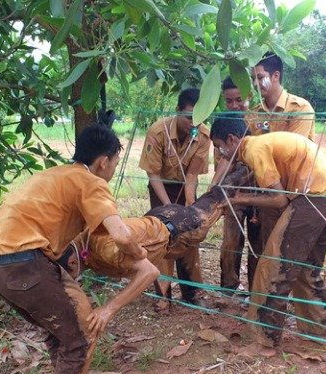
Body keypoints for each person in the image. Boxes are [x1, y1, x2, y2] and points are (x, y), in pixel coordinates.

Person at [0, 124, 153, 374]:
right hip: (25, 263)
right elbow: (122, 236)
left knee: (57, 328)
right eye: (113, 163)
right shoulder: (90, 182)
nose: (112, 170)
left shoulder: (54, 174)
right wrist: (139, 253)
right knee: (82, 334)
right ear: (103, 162)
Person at [210, 117, 326, 348]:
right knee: (306, 266)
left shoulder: (254, 149)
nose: (221, 154)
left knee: (274, 265)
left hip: (311, 197)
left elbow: (279, 199)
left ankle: (265, 339)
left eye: (220, 147)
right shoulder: (260, 144)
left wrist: (237, 198)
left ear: (232, 140)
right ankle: (317, 331)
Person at [64, 164, 252, 287]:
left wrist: (108, 310)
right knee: (214, 200)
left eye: (69, 276)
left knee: (217, 200)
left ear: (73, 262)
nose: (71, 280)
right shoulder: (77, 239)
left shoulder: (107, 250)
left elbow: (148, 272)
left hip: (180, 227)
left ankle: (246, 168)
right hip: (159, 220)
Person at [139, 88, 212, 307]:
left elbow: (192, 174)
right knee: (162, 238)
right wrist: (168, 206)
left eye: (199, 118)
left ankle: (191, 293)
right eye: (189, 116)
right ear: (178, 111)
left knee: (190, 237)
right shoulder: (158, 131)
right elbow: (153, 173)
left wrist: (189, 205)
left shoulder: (203, 135)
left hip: (186, 186)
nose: (194, 123)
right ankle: (163, 295)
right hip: (161, 186)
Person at [217, 77, 263, 299]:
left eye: (239, 99)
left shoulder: (261, 120)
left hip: (262, 191)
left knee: (258, 241)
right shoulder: (224, 122)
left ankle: (256, 292)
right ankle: (228, 288)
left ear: (249, 95)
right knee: (231, 240)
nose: (234, 105)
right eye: (229, 101)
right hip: (233, 191)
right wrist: (215, 189)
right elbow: (224, 160)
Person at [251, 53, 315, 140]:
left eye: (260, 77)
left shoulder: (299, 109)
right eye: (253, 79)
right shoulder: (255, 113)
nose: (255, 83)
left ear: (276, 76)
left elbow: (294, 149)